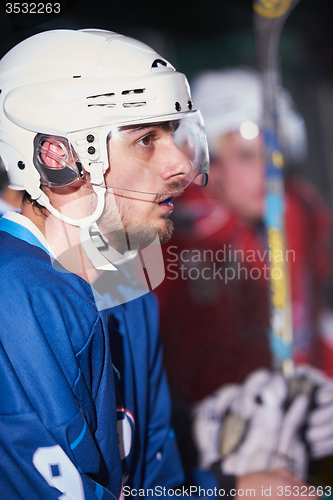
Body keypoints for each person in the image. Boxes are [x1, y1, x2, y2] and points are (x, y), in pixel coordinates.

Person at [0, 31, 320, 499]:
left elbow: (150, 486)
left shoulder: (125, 280)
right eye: (147, 139)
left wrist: (228, 488)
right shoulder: (16, 294)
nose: (182, 165)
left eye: (173, 135)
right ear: (58, 157)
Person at [155, 68, 333, 485]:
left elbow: (311, 316)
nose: (270, 175)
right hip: (214, 445)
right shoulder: (170, 228)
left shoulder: (298, 208)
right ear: (204, 158)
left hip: (303, 422)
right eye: (249, 155)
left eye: (278, 158)